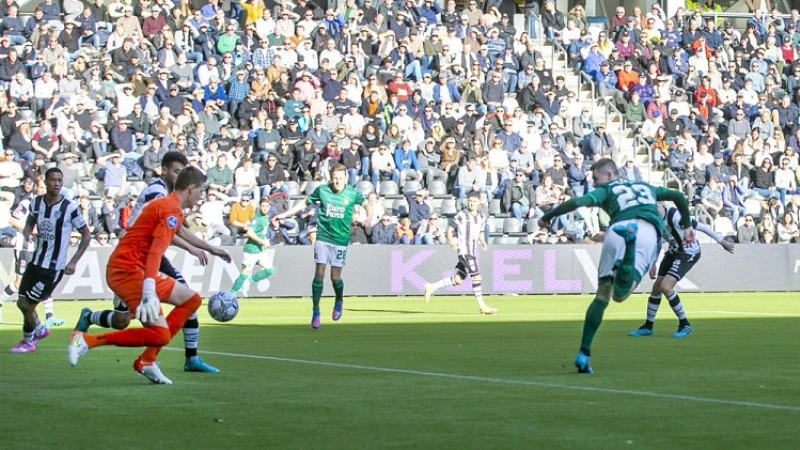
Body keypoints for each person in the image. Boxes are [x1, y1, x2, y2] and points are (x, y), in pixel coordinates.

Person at [74, 152, 229, 374]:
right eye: (176, 171)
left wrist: (208, 248)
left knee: (124, 319)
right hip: (137, 260)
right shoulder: (159, 194)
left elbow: (173, 227)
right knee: (176, 309)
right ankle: (165, 358)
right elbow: (164, 234)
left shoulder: (169, 199)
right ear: (164, 170)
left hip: (136, 258)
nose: (179, 175)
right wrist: (193, 249)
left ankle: (158, 357)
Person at [538, 158, 695, 374]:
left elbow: (577, 203)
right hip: (646, 231)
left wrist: (547, 216)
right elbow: (677, 196)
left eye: (596, 178)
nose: (594, 184)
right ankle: (628, 249)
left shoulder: (607, 191)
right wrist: (687, 226)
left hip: (616, 229)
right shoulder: (646, 187)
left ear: (609, 175)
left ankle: (584, 353)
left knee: (602, 295)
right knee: (621, 295)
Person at [272, 163, 367, 329]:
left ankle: (339, 300)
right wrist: (285, 215)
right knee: (320, 273)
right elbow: (304, 203)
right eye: (334, 178)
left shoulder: (352, 194)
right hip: (323, 236)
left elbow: (367, 204)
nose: (337, 181)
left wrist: (366, 216)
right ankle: (316, 310)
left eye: (340, 178)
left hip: (340, 239)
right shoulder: (323, 191)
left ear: (346, 178)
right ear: (330, 178)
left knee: (335, 277)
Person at [10, 168, 91, 353]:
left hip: (52, 268)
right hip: (36, 262)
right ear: (45, 182)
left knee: (27, 305)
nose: (56, 184)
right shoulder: (36, 203)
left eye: (59, 180)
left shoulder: (69, 208)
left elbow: (86, 234)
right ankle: (39, 329)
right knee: (21, 302)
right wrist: (28, 232)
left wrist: (74, 261)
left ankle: (28, 341)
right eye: (53, 180)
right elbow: (30, 221)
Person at [629, 203, 735, 339]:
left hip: (688, 252)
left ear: (661, 204)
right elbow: (658, 241)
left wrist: (722, 242)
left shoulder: (675, 216)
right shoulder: (653, 220)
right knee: (657, 287)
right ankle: (648, 326)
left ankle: (685, 324)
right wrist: (654, 262)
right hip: (673, 251)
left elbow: (701, 226)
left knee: (666, 287)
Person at [1, 178, 66, 328]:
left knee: (45, 280)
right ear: (35, 188)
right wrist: (30, 230)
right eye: (41, 187)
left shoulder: (50, 206)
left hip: (40, 249)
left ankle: (50, 316)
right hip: (24, 248)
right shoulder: (27, 203)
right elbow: (12, 219)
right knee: (19, 283)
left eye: (46, 187)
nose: (44, 189)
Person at [423, 192, 497, 315]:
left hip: (472, 251)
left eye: (474, 201)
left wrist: (483, 242)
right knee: (476, 277)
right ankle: (482, 306)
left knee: (457, 280)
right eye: (470, 201)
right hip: (464, 251)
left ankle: (431, 287)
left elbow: (480, 232)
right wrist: (452, 242)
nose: (472, 203)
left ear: (479, 203)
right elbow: (450, 229)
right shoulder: (461, 215)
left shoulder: (481, 218)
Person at [230, 197, 274, 297]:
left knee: (269, 270)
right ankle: (231, 294)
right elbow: (249, 232)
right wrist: (262, 241)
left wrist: (265, 240)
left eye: (267, 206)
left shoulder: (266, 217)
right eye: (263, 206)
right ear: (259, 207)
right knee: (244, 273)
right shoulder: (257, 218)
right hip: (251, 250)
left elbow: (261, 233)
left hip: (260, 250)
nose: (265, 208)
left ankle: (248, 282)